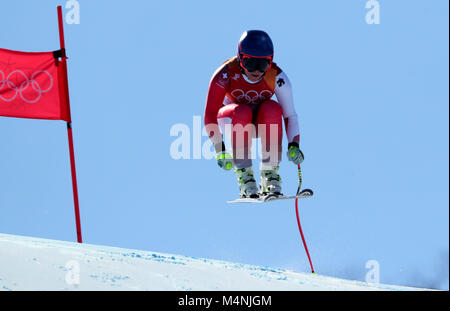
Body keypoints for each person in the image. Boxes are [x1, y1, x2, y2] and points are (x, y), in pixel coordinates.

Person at [204, 30, 304, 198]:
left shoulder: (276, 77)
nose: (256, 71)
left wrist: (294, 145)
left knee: (272, 108)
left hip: (259, 123)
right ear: (240, 58)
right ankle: (245, 176)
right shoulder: (225, 74)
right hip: (232, 120)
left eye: (263, 64)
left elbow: (290, 116)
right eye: (250, 64)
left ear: (270, 62)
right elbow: (210, 115)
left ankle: (269, 174)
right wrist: (219, 149)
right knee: (242, 111)